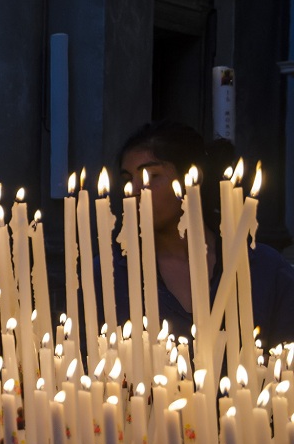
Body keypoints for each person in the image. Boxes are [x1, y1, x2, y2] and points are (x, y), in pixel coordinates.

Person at [109, 119, 294, 349]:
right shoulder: (111, 273)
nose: (135, 192)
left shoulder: (264, 269)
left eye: (151, 177)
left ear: (190, 179)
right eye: (128, 180)